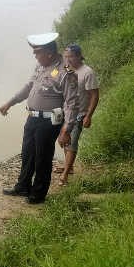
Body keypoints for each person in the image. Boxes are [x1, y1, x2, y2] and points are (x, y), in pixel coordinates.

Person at [0, 33, 79, 204]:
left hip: (49, 122)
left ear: (49, 53)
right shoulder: (41, 66)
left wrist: (66, 129)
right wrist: (9, 103)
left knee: (42, 157)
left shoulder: (65, 71)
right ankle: (23, 186)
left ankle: (38, 194)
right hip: (32, 117)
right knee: (27, 154)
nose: (35, 56)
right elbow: (28, 87)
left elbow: (71, 104)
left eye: (37, 53)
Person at [54, 44, 99, 186]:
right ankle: (69, 166)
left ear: (79, 56)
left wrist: (88, 116)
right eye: (66, 56)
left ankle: (65, 174)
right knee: (63, 140)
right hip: (62, 111)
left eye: (71, 56)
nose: (68, 59)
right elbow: (50, 76)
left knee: (72, 141)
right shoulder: (63, 69)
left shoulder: (87, 72)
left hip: (79, 114)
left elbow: (94, 95)